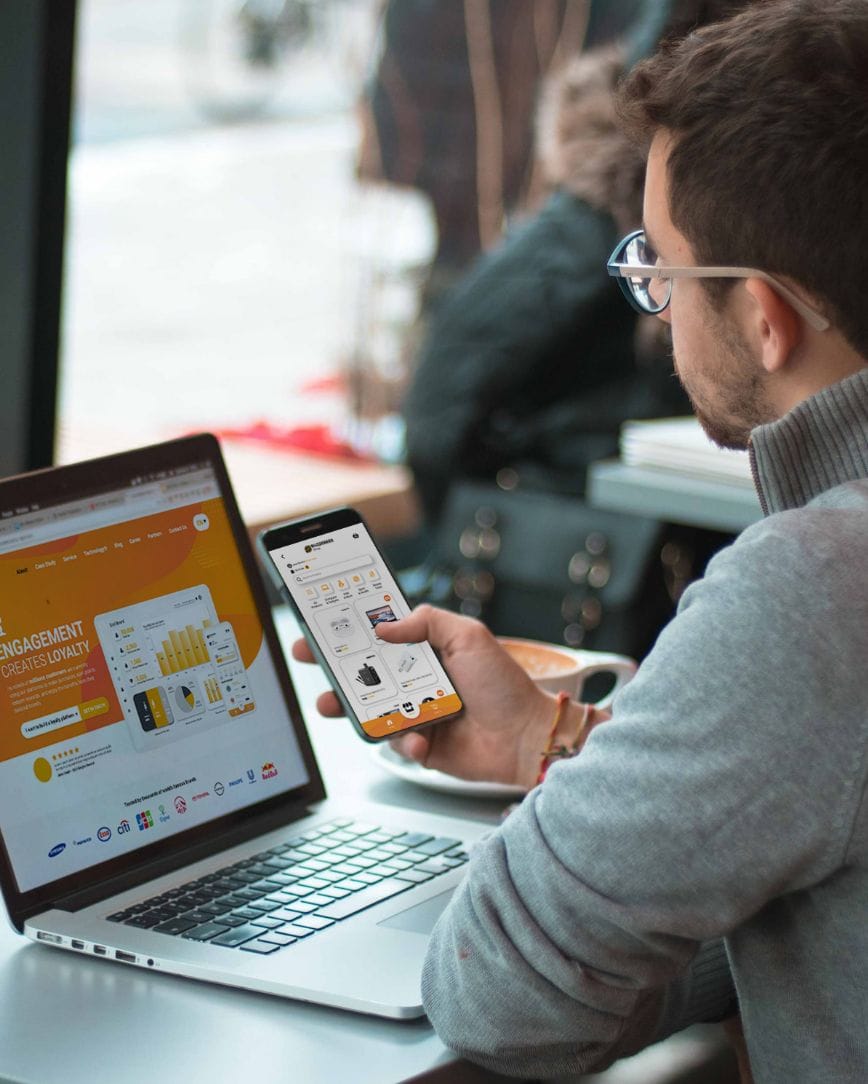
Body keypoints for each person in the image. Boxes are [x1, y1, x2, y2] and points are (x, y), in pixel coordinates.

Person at [295, 1, 868, 1079]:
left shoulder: (813, 592)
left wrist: (569, 828)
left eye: (662, 269)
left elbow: (496, 998)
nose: (656, 306)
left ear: (763, 318)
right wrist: (552, 741)